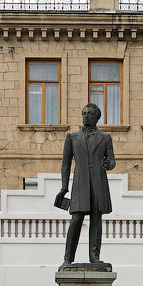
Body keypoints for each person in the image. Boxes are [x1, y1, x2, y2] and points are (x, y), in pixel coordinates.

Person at [56, 103, 116, 268]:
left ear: (97, 117)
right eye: (84, 113)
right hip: (80, 185)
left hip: (98, 184)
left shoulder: (105, 138)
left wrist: (108, 163)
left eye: (89, 114)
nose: (86, 116)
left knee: (96, 221)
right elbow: (65, 164)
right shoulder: (72, 137)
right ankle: (68, 259)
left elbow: (112, 160)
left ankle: (94, 258)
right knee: (76, 220)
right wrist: (64, 187)